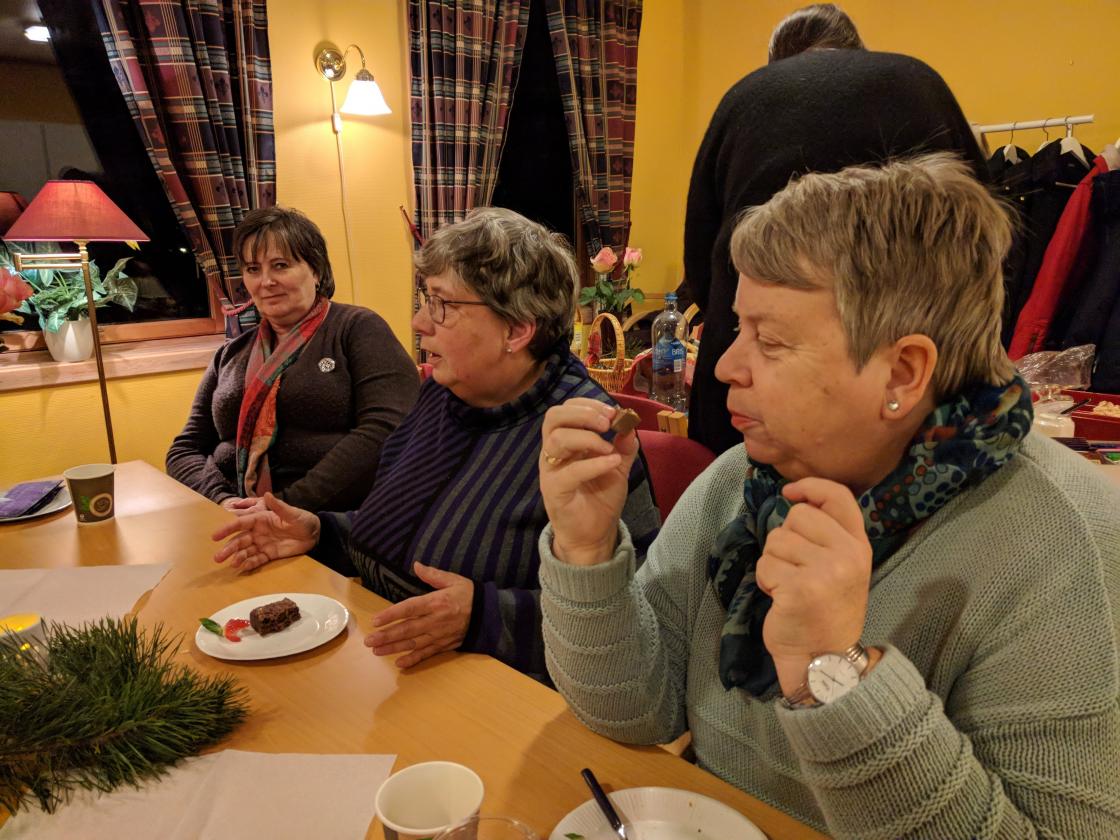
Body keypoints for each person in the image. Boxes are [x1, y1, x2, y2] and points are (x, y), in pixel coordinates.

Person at [538, 156, 1120, 838]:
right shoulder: (741, 481)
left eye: (770, 340)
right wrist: (585, 550)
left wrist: (834, 674)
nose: (724, 366)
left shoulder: (1065, 545)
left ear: (902, 372)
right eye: (737, 328)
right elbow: (637, 710)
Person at [211, 208, 660, 682]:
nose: (419, 321)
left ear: (516, 329)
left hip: (495, 690)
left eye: (442, 304)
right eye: (427, 299)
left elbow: (639, 622)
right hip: (387, 653)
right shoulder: (444, 395)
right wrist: (322, 532)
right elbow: (405, 529)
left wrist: (487, 617)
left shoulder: (587, 436)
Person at [684, 8, 987, 454]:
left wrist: (750, 322)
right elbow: (985, 251)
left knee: (738, 477)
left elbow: (701, 263)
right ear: (856, 49)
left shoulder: (747, 96)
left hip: (753, 399)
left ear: (778, 63)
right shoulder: (920, 83)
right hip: (923, 390)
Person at [167, 206, 418, 512]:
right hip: (233, 515)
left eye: (280, 265)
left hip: (327, 518)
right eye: (253, 269)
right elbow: (184, 450)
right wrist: (223, 499)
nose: (266, 281)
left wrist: (283, 506)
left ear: (316, 270)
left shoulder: (357, 328)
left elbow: (388, 429)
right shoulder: (230, 354)